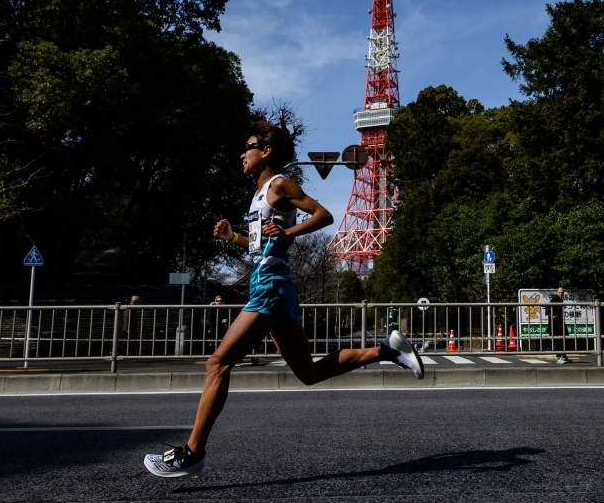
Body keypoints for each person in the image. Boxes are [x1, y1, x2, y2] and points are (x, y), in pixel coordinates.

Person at [143, 120, 423, 478]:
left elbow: (324, 215)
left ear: (267, 151)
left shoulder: (279, 184)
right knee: (307, 372)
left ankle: (193, 452)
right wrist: (234, 238)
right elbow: (265, 246)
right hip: (274, 281)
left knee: (218, 363)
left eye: (249, 147)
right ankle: (387, 350)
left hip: (271, 286)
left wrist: (289, 230)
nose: (242, 154)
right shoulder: (259, 194)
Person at [549, 286, 569, 365]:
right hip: (556, 324)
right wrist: (553, 315)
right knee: (558, 340)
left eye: (562, 292)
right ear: (557, 292)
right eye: (560, 292)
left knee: (563, 339)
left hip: (560, 323)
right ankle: (559, 357)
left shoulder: (560, 300)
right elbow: (548, 309)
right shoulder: (555, 299)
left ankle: (563, 356)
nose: (561, 293)